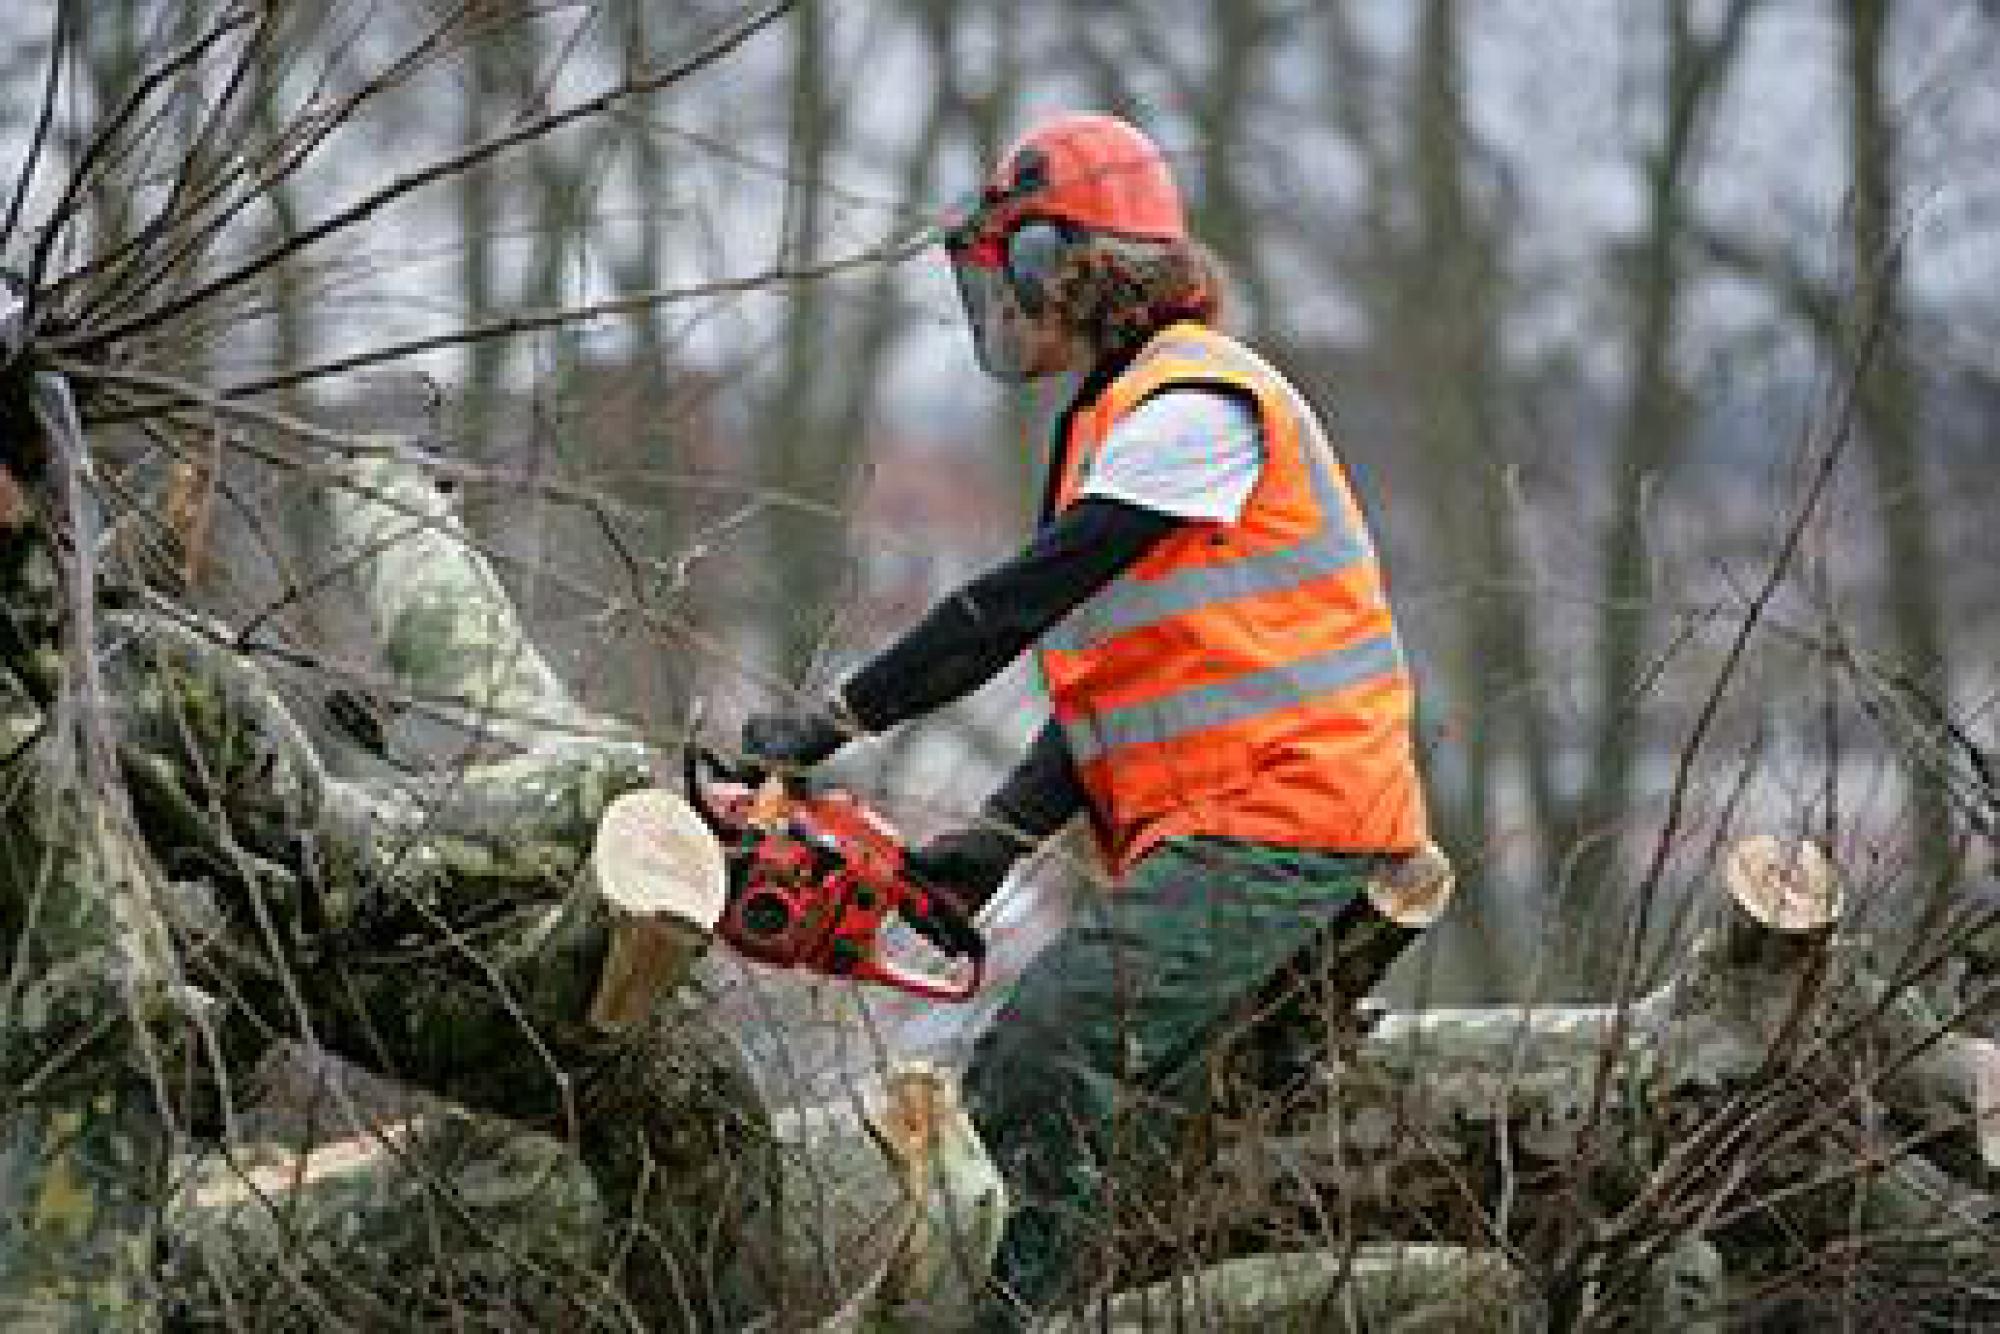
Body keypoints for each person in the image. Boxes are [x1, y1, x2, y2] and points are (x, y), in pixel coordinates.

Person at [740, 112, 1438, 1325]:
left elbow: (1008, 607)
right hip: (1232, 818)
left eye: (1012, 268)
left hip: (1290, 812)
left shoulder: (1194, 402)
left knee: (1046, 1052)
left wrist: (835, 716)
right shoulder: (1125, 425)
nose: (1002, 304)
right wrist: (995, 839)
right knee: (1133, 1112)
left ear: (1066, 262)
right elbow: (1123, 684)